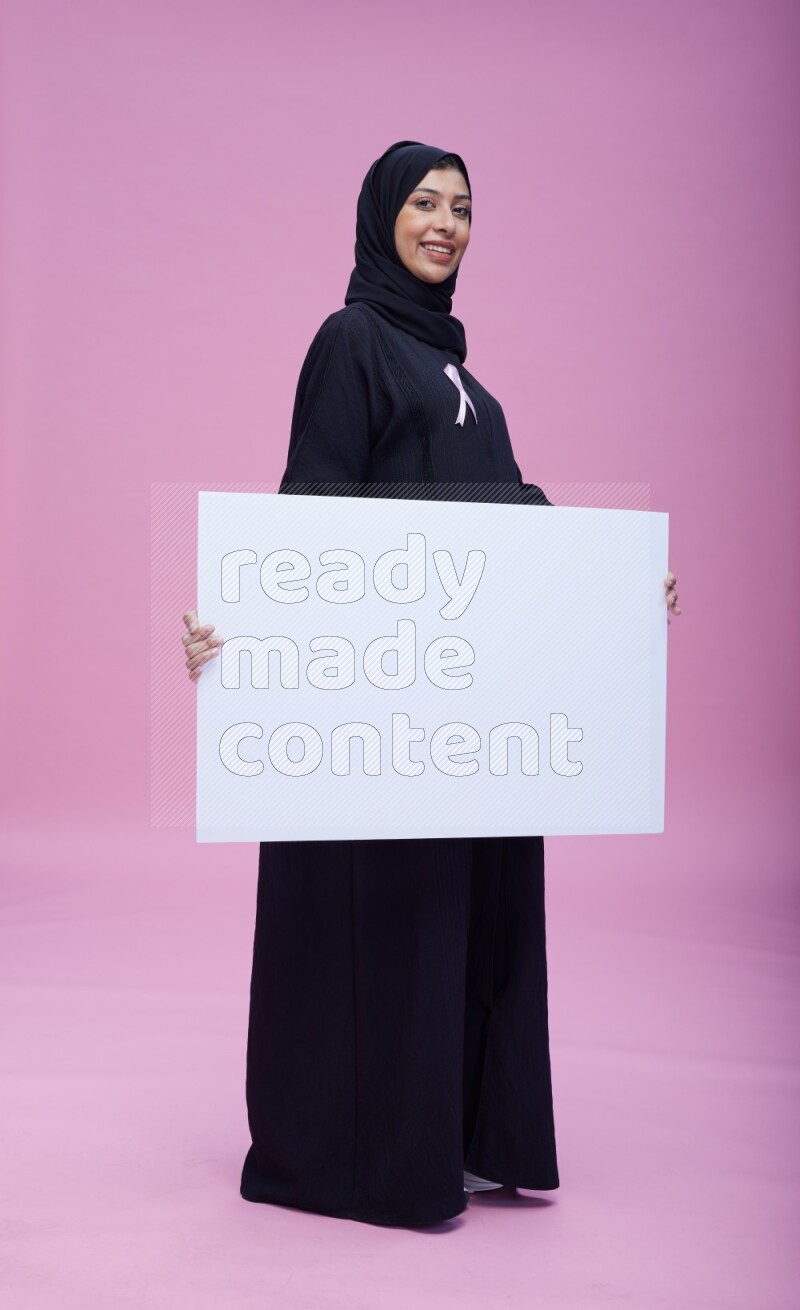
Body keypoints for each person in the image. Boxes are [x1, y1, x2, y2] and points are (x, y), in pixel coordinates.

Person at [181, 141, 682, 1228]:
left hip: (464, 716)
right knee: (379, 916)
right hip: (375, 712)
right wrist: (243, 635)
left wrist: (619, 594)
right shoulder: (350, 342)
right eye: (423, 201)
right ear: (379, 215)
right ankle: (352, 1156)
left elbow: (518, 537)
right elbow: (307, 513)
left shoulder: (475, 392)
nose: (445, 222)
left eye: (462, 207)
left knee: (462, 915)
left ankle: (451, 1133)